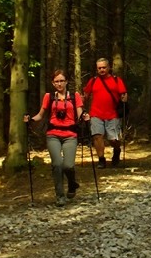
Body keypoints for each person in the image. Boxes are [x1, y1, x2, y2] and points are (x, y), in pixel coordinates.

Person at [24, 69, 88, 206]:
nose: (59, 84)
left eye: (62, 81)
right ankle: (60, 196)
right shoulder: (49, 96)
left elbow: (79, 113)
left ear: (66, 82)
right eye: (56, 81)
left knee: (68, 166)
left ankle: (72, 184)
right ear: (53, 83)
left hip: (70, 135)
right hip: (53, 135)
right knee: (57, 164)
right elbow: (40, 115)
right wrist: (30, 119)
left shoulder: (74, 96)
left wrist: (84, 116)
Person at [83, 58, 127, 168]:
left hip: (113, 114)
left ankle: (116, 151)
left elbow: (124, 94)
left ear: (109, 67)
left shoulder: (116, 80)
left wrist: (124, 101)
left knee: (113, 139)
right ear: (97, 69)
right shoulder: (93, 81)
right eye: (99, 68)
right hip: (96, 114)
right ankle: (101, 160)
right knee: (97, 136)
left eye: (104, 67)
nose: (102, 70)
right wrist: (81, 106)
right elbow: (85, 95)